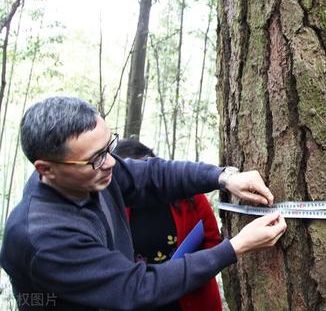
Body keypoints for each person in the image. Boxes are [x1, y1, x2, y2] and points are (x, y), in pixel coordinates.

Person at [1, 96, 287, 310]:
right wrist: (236, 247)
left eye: (109, 147)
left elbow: (152, 175)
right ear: (46, 169)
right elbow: (135, 287)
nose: (111, 163)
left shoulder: (90, 175)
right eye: (96, 158)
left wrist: (222, 177)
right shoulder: (44, 238)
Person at [113, 139, 224, 311]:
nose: (144, 178)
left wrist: (193, 270)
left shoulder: (189, 198)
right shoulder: (115, 211)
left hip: (192, 295)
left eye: (147, 167)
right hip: (144, 298)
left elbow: (212, 240)